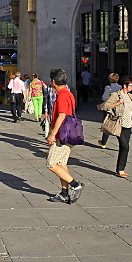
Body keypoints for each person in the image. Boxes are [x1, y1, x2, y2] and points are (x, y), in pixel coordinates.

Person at [46, 68, 82, 203]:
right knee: (62, 164)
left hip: (61, 135)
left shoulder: (62, 95)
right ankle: (64, 193)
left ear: (53, 81)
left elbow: (62, 115)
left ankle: (75, 185)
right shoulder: (69, 93)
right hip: (69, 133)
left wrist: (52, 134)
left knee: (51, 164)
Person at [101, 75, 132, 177]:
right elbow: (105, 106)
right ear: (125, 85)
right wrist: (117, 103)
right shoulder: (115, 95)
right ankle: (120, 169)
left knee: (124, 147)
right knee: (125, 146)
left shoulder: (131, 96)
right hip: (119, 124)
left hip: (128, 125)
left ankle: (121, 168)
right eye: (131, 85)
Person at [97, 73, 123, 147]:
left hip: (110, 108)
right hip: (119, 108)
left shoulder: (108, 88)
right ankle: (122, 143)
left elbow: (104, 98)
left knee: (107, 124)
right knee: (118, 124)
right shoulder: (120, 87)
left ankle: (103, 143)